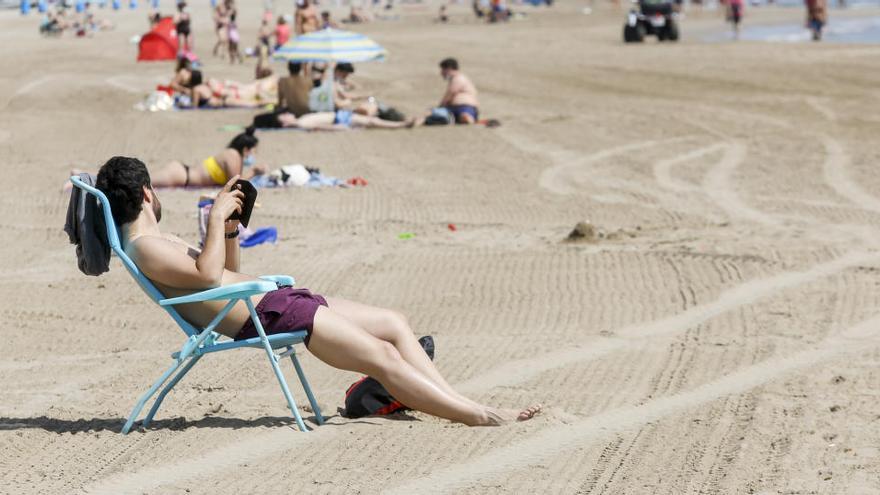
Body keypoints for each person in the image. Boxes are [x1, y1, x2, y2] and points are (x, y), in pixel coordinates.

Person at [93, 156, 542, 426]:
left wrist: (228, 230)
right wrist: (211, 220)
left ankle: (459, 401)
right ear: (149, 194)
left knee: (394, 323)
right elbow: (210, 278)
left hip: (270, 301)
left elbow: (224, 270)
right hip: (268, 316)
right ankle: (478, 415)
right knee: (382, 357)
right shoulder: (146, 246)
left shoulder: (157, 242)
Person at [435, 58, 480, 124]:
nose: (441, 73)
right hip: (454, 108)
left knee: (464, 116)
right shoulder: (458, 78)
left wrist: (440, 106)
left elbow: (450, 94)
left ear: (448, 69)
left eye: (443, 69)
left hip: (465, 107)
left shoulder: (458, 78)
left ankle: (466, 118)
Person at [275, 110, 414, 130]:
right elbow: (320, 126)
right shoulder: (302, 122)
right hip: (339, 119)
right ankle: (401, 124)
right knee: (372, 121)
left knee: (371, 120)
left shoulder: (301, 119)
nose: (287, 113)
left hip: (340, 116)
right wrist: (340, 127)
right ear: (285, 123)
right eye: (285, 116)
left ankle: (400, 123)